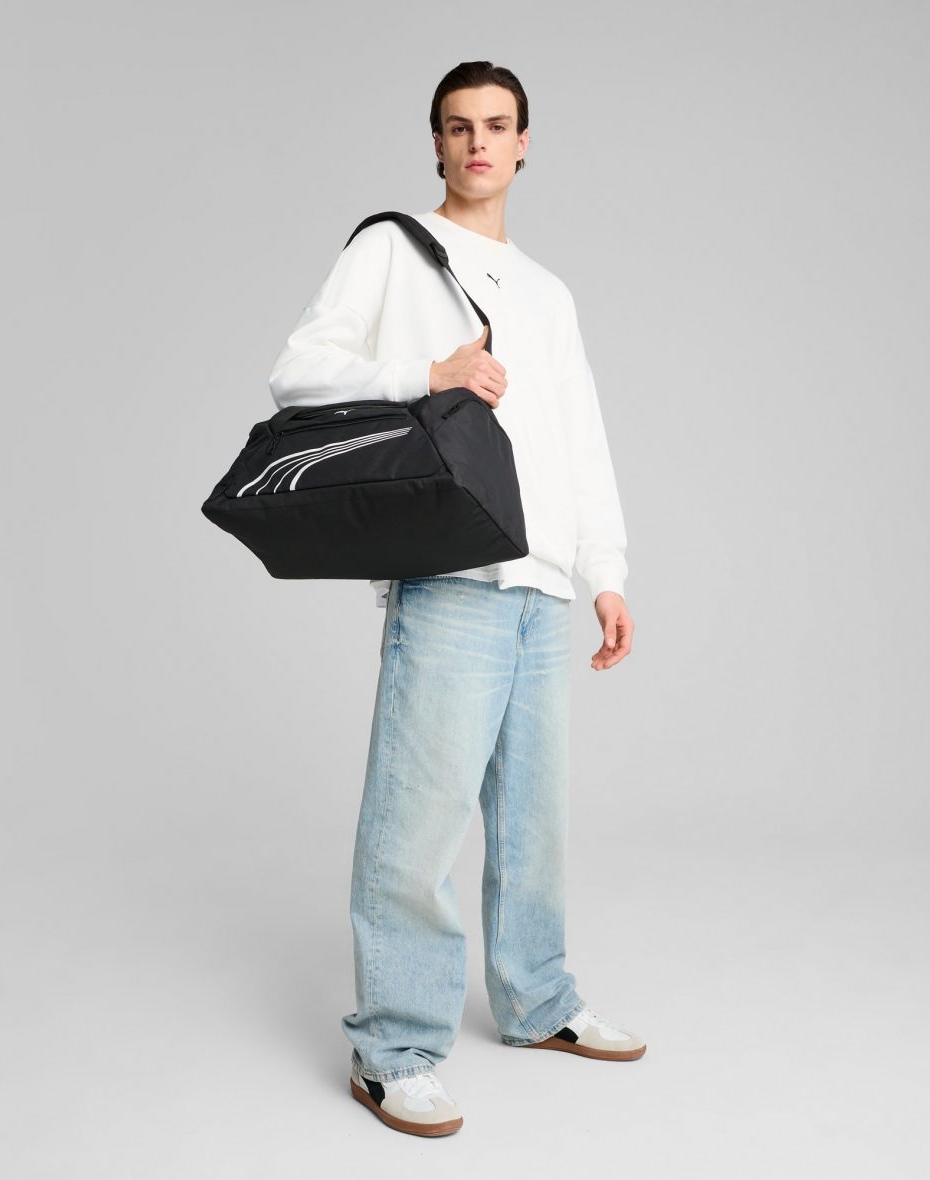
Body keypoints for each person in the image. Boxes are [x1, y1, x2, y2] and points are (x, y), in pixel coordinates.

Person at [267, 61, 643, 1137]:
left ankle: (538, 1000)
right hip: (451, 576)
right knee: (417, 824)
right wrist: (422, 375)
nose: (478, 143)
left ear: (525, 144)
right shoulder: (393, 251)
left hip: (540, 589)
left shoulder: (549, 292)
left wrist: (605, 573)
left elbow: (578, 435)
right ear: (435, 143)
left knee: (532, 821)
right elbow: (299, 371)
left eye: (496, 125)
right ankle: (391, 1049)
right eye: (458, 126)